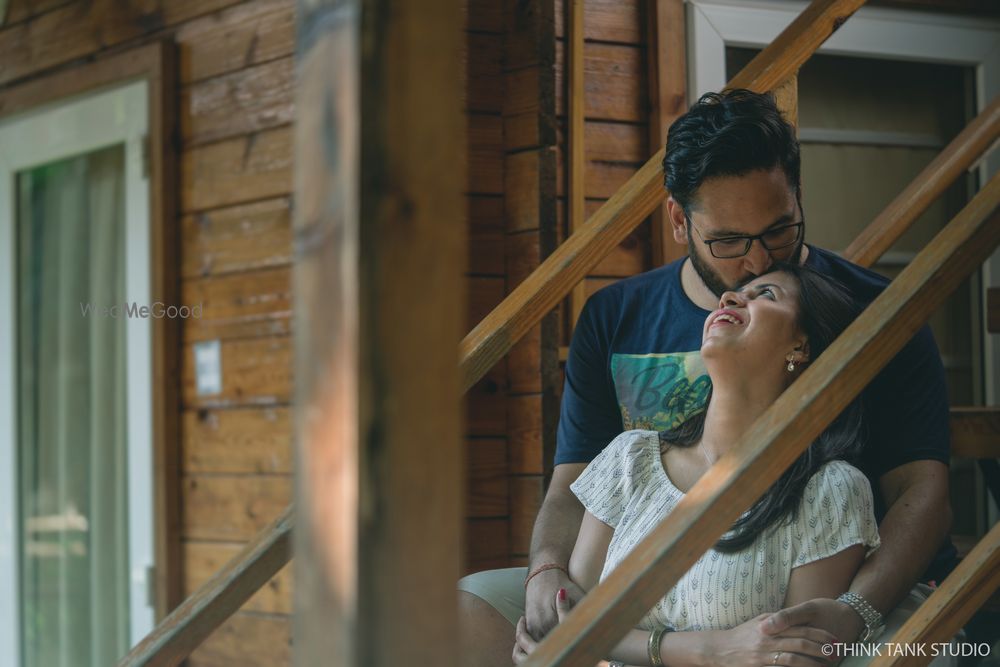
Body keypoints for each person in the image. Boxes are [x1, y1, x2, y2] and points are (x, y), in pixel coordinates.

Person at [457, 89, 954, 665]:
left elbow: (922, 494)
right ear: (678, 220)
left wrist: (856, 609)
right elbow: (575, 487)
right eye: (727, 241)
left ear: (798, 196)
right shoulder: (616, 318)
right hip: (643, 582)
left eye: (778, 230)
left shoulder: (875, 313)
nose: (758, 261)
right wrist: (545, 573)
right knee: (471, 613)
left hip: (831, 580)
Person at [512, 264, 880, 666]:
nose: (732, 298)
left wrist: (608, 642)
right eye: (736, 292)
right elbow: (572, 633)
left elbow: (792, 658)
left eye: (766, 295)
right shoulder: (630, 460)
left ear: (801, 346)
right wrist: (710, 651)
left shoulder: (830, 491)